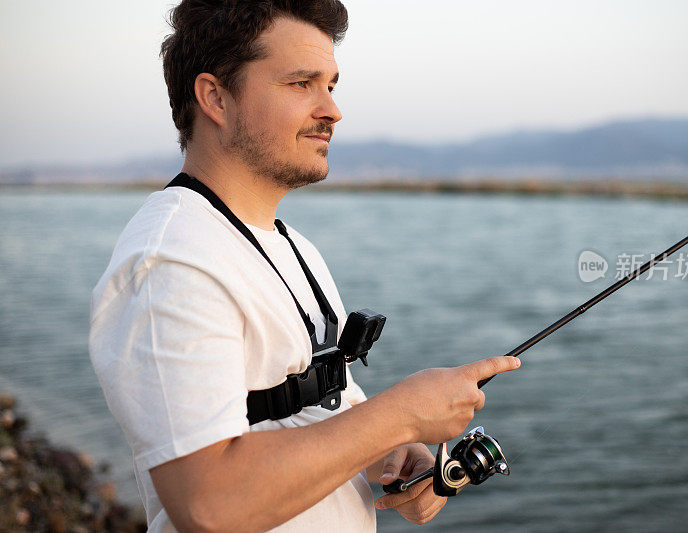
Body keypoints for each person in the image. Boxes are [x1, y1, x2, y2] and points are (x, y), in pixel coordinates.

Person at [89, 1, 521, 531]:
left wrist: (391, 452)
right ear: (215, 97)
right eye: (301, 84)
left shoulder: (291, 246)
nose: (332, 110)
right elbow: (208, 501)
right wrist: (400, 414)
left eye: (332, 86)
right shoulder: (173, 261)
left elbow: (315, 409)